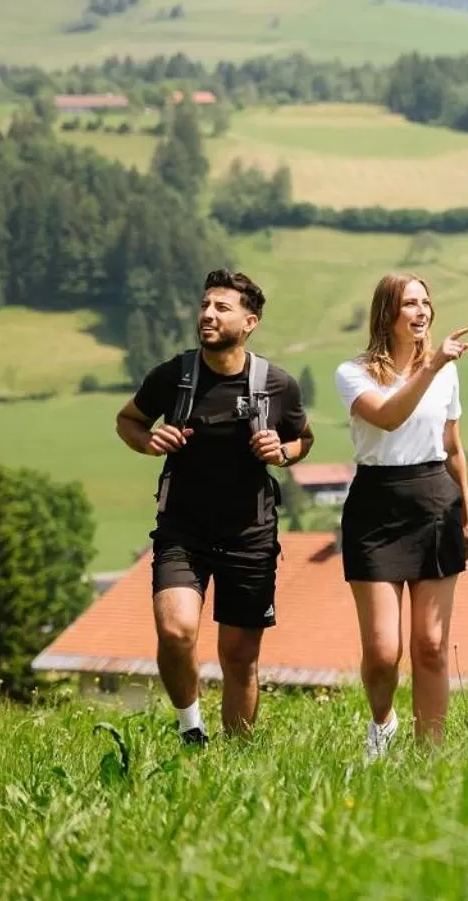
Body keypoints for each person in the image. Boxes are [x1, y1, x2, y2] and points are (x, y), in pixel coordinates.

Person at [115, 268, 314, 746]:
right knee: (177, 631)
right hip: (183, 531)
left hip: (250, 534)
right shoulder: (173, 376)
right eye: (205, 304)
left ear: (249, 323)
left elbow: (302, 438)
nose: (207, 314)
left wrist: (282, 452)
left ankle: (239, 756)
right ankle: (191, 731)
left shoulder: (277, 384)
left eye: (221, 307)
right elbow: (128, 421)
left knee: (240, 657)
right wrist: (148, 441)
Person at [334, 272, 468, 757]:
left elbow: (453, 447)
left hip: (436, 500)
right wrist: (432, 367)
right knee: (381, 652)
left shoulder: (446, 371)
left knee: (432, 646)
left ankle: (429, 757)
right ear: (386, 314)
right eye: (409, 304)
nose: (421, 313)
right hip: (376, 506)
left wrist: (467, 517)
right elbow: (389, 416)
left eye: (425, 303)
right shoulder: (352, 373)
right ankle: (383, 725)